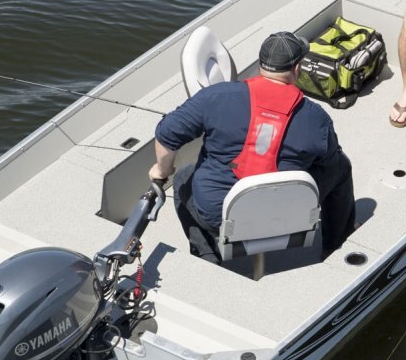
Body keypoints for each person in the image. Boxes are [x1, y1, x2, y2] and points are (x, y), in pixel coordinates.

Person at [149, 31, 355, 260]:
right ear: (297, 69)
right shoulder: (317, 118)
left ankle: (206, 255)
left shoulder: (214, 96)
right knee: (341, 167)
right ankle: (334, 244)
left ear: (260, 64)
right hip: (285, 217)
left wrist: (162, 171)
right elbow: (329, 161)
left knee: (183, 176)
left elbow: (166, 136)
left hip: (219, 218)